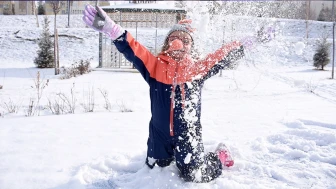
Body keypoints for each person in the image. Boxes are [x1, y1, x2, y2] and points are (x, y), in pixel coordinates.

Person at [83, 5, 245, 183]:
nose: (179, 42)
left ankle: (218, 156)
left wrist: (246, 44)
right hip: (159, 134)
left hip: (188, 134)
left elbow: (220, 57)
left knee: (194, 174)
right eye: (174, 37)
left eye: (185, 40)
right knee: (155, 167)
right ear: (167, 42)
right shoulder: (155, 66)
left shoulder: (197, 69)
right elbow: (134, 50)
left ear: (191, 46)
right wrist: (111, 29)